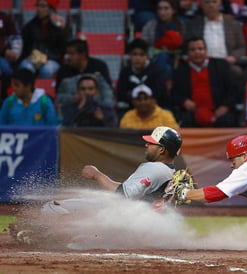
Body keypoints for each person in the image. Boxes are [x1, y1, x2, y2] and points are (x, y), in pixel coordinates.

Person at [10, 126, 183, 245]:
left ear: (162, 150)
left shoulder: (155, 168)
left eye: (151, 143)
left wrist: (96, 174)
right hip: (137, 224)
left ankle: (51, 236)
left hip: (124, 221)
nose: (146, 144)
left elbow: (124, 195)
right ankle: (61, 235)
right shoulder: (169, 172)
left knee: (50, 208)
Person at [171, 37, 239, 127]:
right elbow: (174, 94)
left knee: (227, 119)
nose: (197, 52)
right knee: (184, 119)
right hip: (193, 112)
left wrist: (225, 107)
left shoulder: (221, 65)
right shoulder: (180, 70)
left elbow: (234, 91)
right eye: (192, 49)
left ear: (206, 51)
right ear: (187, 53)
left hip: (218, 110)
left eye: (200, 49)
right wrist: (184, 101)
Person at [185, 0, 247, 86]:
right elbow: (186, 47)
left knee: (236, 72)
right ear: (201, 5)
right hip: (202, 63)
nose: (210, 5)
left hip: (225, 63)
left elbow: (241, 47)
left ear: (220, 3)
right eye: (207, 2)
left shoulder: (233, 23)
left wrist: (233, 57)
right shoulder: (193, 24)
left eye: (214, 2)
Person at [56, 39, 115, 113]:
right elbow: (59, 97)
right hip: (72, 111)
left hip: (98, 110)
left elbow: (107, 92)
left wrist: (104, 110)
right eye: (67, 54)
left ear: (82, 54)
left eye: (71, 54)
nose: (68, 57)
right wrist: (74, 98)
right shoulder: (63, 71)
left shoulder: (99, 66)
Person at [116, 38, 169, 119]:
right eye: (134, 54)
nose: (138, 58)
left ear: (147, 56)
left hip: (154, 110)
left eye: (141, 55)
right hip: (131, 110)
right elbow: (121, 94)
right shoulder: (125, 72)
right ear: (129, 56)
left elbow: (160, 94)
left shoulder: (157, 71)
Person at [18, 0, 71, 79]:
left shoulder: (59, 26)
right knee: (26, 67)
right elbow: (26, 48)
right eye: (38, 6)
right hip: (34, 58)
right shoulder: (30, 26)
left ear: (50, 9)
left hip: (53, 59)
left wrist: (62, 29)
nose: (39, 9)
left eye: (43, 6)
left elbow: (64, 47)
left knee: (47, 69)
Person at [141, 0, 186, 80]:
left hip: (176, 58)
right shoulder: (150, 25)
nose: (162, 12)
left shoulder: (181, 25)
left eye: (166, 9)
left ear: (173, 10)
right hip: (154, 58)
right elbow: (144, 44)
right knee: (164, 60)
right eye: (160, 9)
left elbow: (183, 45)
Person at [0, 11, 22, 102]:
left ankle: (6, 100)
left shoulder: (4, 17)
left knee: (8, 70)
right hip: (3, 53)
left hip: (3, 56)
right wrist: (4, 51)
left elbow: (16, 37)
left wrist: (15, 53)